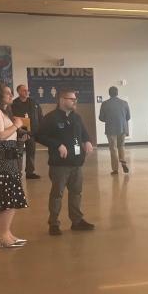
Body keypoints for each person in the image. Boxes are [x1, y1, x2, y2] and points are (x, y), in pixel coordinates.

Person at [36, 88, 96, 235]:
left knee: (76, 193)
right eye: (72, 99)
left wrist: (87, 141)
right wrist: (57, 145)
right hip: (60, 165)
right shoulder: (51, 118)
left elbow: (83, 133)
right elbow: (39, 136)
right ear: (62, 100)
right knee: (57, 194)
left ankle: (77, 221)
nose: (75, 101)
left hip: (76, 163)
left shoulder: (76, 117)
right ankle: (54, 223)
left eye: (75, 99)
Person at [0, 82, 29, 248]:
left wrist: (19, 137)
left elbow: (7, 136)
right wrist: (16, 125)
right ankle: (3, 235)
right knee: (8, 197)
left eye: (10, 93)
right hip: (0, 155)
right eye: (7, 93)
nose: (11, 95)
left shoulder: (3, 112)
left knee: (6, 197)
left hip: (7, 153)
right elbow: (0, 135)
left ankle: (6, 233)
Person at [11, 83, 43, 179]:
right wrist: (17, 128)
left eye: (27, 90)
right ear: (18, 92)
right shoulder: (13, 104)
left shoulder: (34, 103)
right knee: (18, 153)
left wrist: (40, 129)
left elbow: (40, 116)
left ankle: (30, 172)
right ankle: (17, 173)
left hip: (31, 133)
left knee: (31, 153)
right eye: (24, 90)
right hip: (19, 132)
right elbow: (10, 118)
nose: (26, 92)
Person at [98, 86, 131, 175]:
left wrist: (108, 119)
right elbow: (128, 117)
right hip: (122, 128)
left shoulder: (105, 104)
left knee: (113, 148)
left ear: (109, 93)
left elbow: (101, 118)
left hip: (110, 128)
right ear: (117, 93)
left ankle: (115, 169)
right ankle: (123, 161)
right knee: (121, 146)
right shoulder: (124, 103)